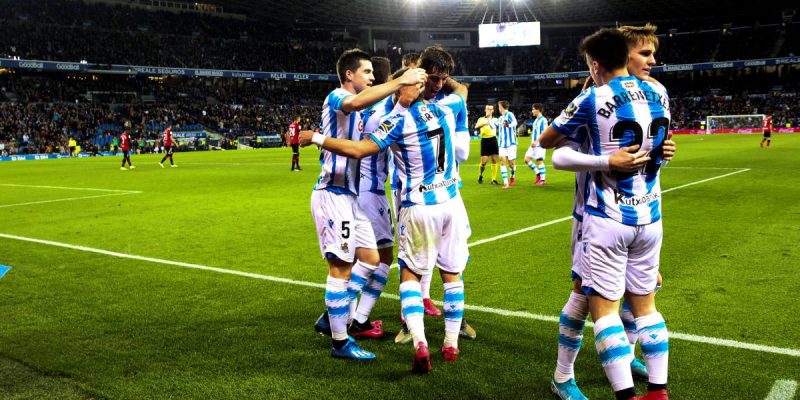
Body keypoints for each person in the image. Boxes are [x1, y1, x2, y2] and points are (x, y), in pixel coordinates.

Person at [300, 71, 471, 374]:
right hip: (450, 202)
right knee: (449, 272)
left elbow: (360, 148)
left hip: (416, 205)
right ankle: (450, 342)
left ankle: (416, 339)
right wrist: (438, 77)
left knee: (407, 274)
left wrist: (314, 137)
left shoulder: (396, 120)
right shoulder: (446, 108)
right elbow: (463, 92)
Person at [541, 28, 671, 400]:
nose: (651, 61)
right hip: (596, 215)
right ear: (625, 57)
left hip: (621, 214)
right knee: (587, 295)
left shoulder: (624, 95)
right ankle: (564, 376)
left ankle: (623, 362)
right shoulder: (627, 95)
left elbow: (553, 146)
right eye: (644, 54)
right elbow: (553, 145)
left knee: (620, 297)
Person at [308, 48, 426, 361]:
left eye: (374, 74)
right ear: (349, 74)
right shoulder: (337, 96)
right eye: (367, 73)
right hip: (332, 192)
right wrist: (401, 81)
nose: (372, 78)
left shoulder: (362, 111)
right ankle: (340, 341)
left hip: (352, 197)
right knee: (341, 267)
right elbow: (357, 101)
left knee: (372, 258)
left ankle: (335, 315)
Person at [523, 103, 548, 185]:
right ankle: (538, 174)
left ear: (538, 110)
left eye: (533, 109)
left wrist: (537, 141)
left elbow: (544, 133)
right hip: (533, 144)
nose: (532, 111)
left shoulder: (543, 120)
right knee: (526, 159)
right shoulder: (536, 120)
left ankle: (543, 180)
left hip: (540, 144)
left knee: (539, 161)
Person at [476, 105, 500, 185]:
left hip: (493, 139)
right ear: (485, 110)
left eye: (490, 109)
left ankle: (493, 179)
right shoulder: (481, 119)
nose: (489, 110)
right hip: (485, 140)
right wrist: (486, 122)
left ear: (493, 110)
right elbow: (476, 126)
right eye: (487, 109)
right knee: (484, 162)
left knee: (494, 160)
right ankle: (480, 175)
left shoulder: (496, 119)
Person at [496, 100, 517, 188]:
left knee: (511, 163)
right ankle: (505, 183)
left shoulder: (510, 114)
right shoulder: (500, 118)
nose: (498, 108)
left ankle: (512, 177)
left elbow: (515, 123)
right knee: (502, 161)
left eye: (499, 106)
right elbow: (495, 125)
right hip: (501, 144)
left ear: (502, 107)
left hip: (511, 143)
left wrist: (509, 125)